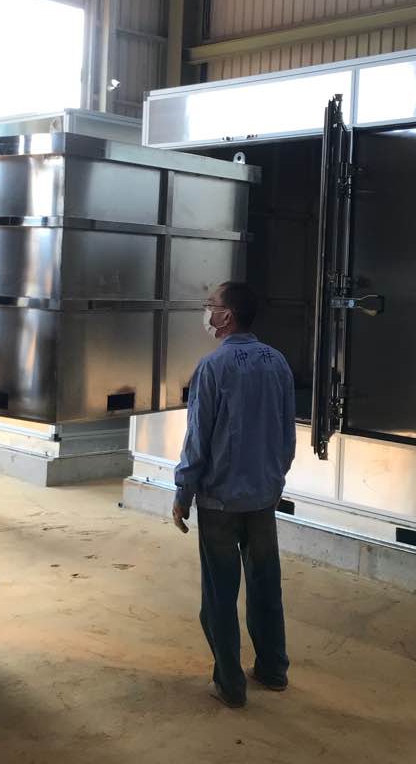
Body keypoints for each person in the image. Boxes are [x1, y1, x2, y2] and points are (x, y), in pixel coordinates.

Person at [171, 281, 296, 709]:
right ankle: (273, 670)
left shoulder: (213, 367)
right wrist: (273, 481)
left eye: (211, 305)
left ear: (227, 316)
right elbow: (286, 435)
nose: (207, 312)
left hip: (220, 501)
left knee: (219, 595)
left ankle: (230, 684)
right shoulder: (277, 362)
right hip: (263, 499)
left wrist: (183, 492)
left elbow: (198, 439)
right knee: (265, 587)